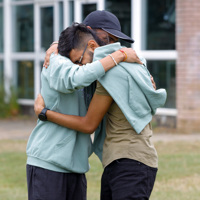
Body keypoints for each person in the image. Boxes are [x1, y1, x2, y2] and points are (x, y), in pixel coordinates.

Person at [34, 22, 167, 199]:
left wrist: (45, 113)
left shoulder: (112, 73)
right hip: (116, 161)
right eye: (104, 38)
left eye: (112, 40)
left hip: (131, 161)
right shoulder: (107, 66)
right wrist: (56, 45)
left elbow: (88, 124)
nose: (107, 44)